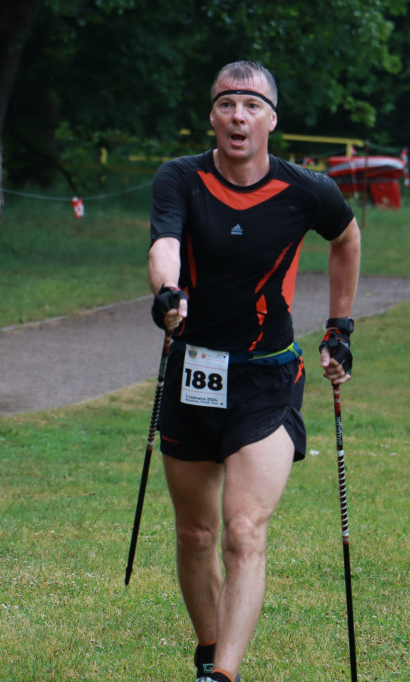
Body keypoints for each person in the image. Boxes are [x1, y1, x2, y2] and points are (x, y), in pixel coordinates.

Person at [148, 60, 361, 682]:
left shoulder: (307, 190)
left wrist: (340, 327)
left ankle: (224, 676)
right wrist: (167, 293)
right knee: (195, 533)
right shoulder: (181, 179)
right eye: (225, 104)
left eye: (251, 105)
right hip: (193, 369)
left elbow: (346, 239)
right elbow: (164, 243)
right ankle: (209, 651)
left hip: (268, 377)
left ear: (271, 118)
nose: (237, 116)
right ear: (212, 115)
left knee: (243, 529)